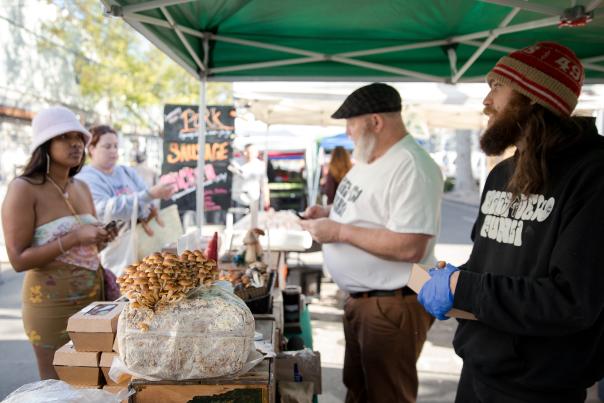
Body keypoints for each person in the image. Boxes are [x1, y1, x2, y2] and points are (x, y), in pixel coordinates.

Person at [417, 42, 604, 403]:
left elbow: (572, 301)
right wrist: (455, 279)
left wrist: (465, 288)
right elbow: (490, 261)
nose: (486, 102)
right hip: (477, 369)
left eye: (497, 87)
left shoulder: (593, 174)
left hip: (540, 387)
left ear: (532, 97)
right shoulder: (502, 173)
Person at [300, 83, 444, 403]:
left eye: (352, 123)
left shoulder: (411, 166)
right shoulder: (371, 158)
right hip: (366, 299)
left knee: (387, 394)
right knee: (361, 387)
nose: (349, 132)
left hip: (392, 301)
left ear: (375, 122)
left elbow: (410, 246)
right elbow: (368, 213)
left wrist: (338, 231)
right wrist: (327, 213)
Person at [1, 106, 117, 379]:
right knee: (58, 387)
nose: (76, 143)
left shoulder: (82, 187)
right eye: (64, 137)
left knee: (96, 383)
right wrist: (75, 237)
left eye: (79, 137)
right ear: (44, 144)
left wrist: (101, 238)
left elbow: (88, 249)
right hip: (51, 306)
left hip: (94, 301)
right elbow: (18, 259)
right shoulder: (23, 188)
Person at [76, 125, 174, 235]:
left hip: (135, 242)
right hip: (107, 246)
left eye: (115, 146)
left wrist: (149, 210)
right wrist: (148, 196)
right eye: (107, 146)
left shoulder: (127, 172)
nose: (113, 150)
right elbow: (104, 211)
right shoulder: (85, 178)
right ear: (91, 149)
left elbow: (147, 201)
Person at [230, 143, 270, 212]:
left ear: (256, 153)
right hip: (238, 199)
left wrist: (266, 198)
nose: (246, 154)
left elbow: (264, 183)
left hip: (254, 199)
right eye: (245, 152)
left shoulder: (260, 165)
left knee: (254, 221)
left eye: (249, 152)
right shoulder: (235, 162)